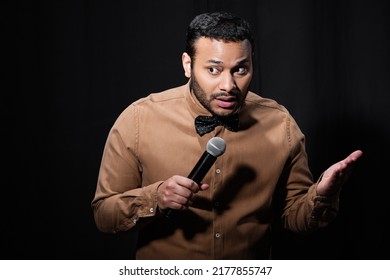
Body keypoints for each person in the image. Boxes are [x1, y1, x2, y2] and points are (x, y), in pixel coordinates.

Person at [91, 11, 363, 259]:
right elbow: (104, 215)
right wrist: (155, 197)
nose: (229, 85)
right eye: (213, 69)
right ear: (188, 64)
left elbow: (295, 217)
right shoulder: (138, 119)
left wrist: (322, 195)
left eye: (240, 70)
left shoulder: (281, 125)